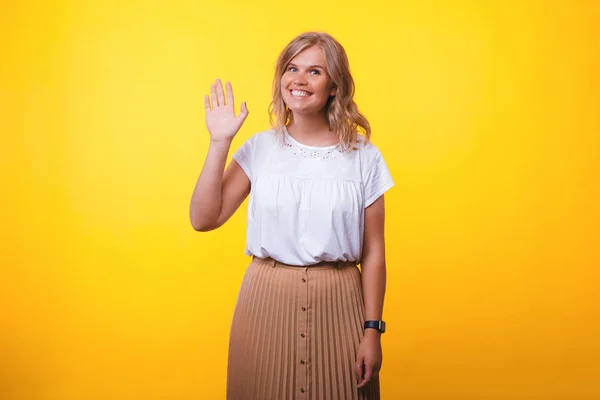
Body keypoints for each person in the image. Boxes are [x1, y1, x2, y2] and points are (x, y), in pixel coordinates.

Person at [189, 32, 394, 400]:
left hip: (341, 308)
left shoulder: (364, 155)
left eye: (314, 71)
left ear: (334, 86)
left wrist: (372, 331)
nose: (298, 80)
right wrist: (219, 142)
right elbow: (204, 219)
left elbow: (375, 252)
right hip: (263, 307)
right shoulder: (261, 148)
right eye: (291, 68)